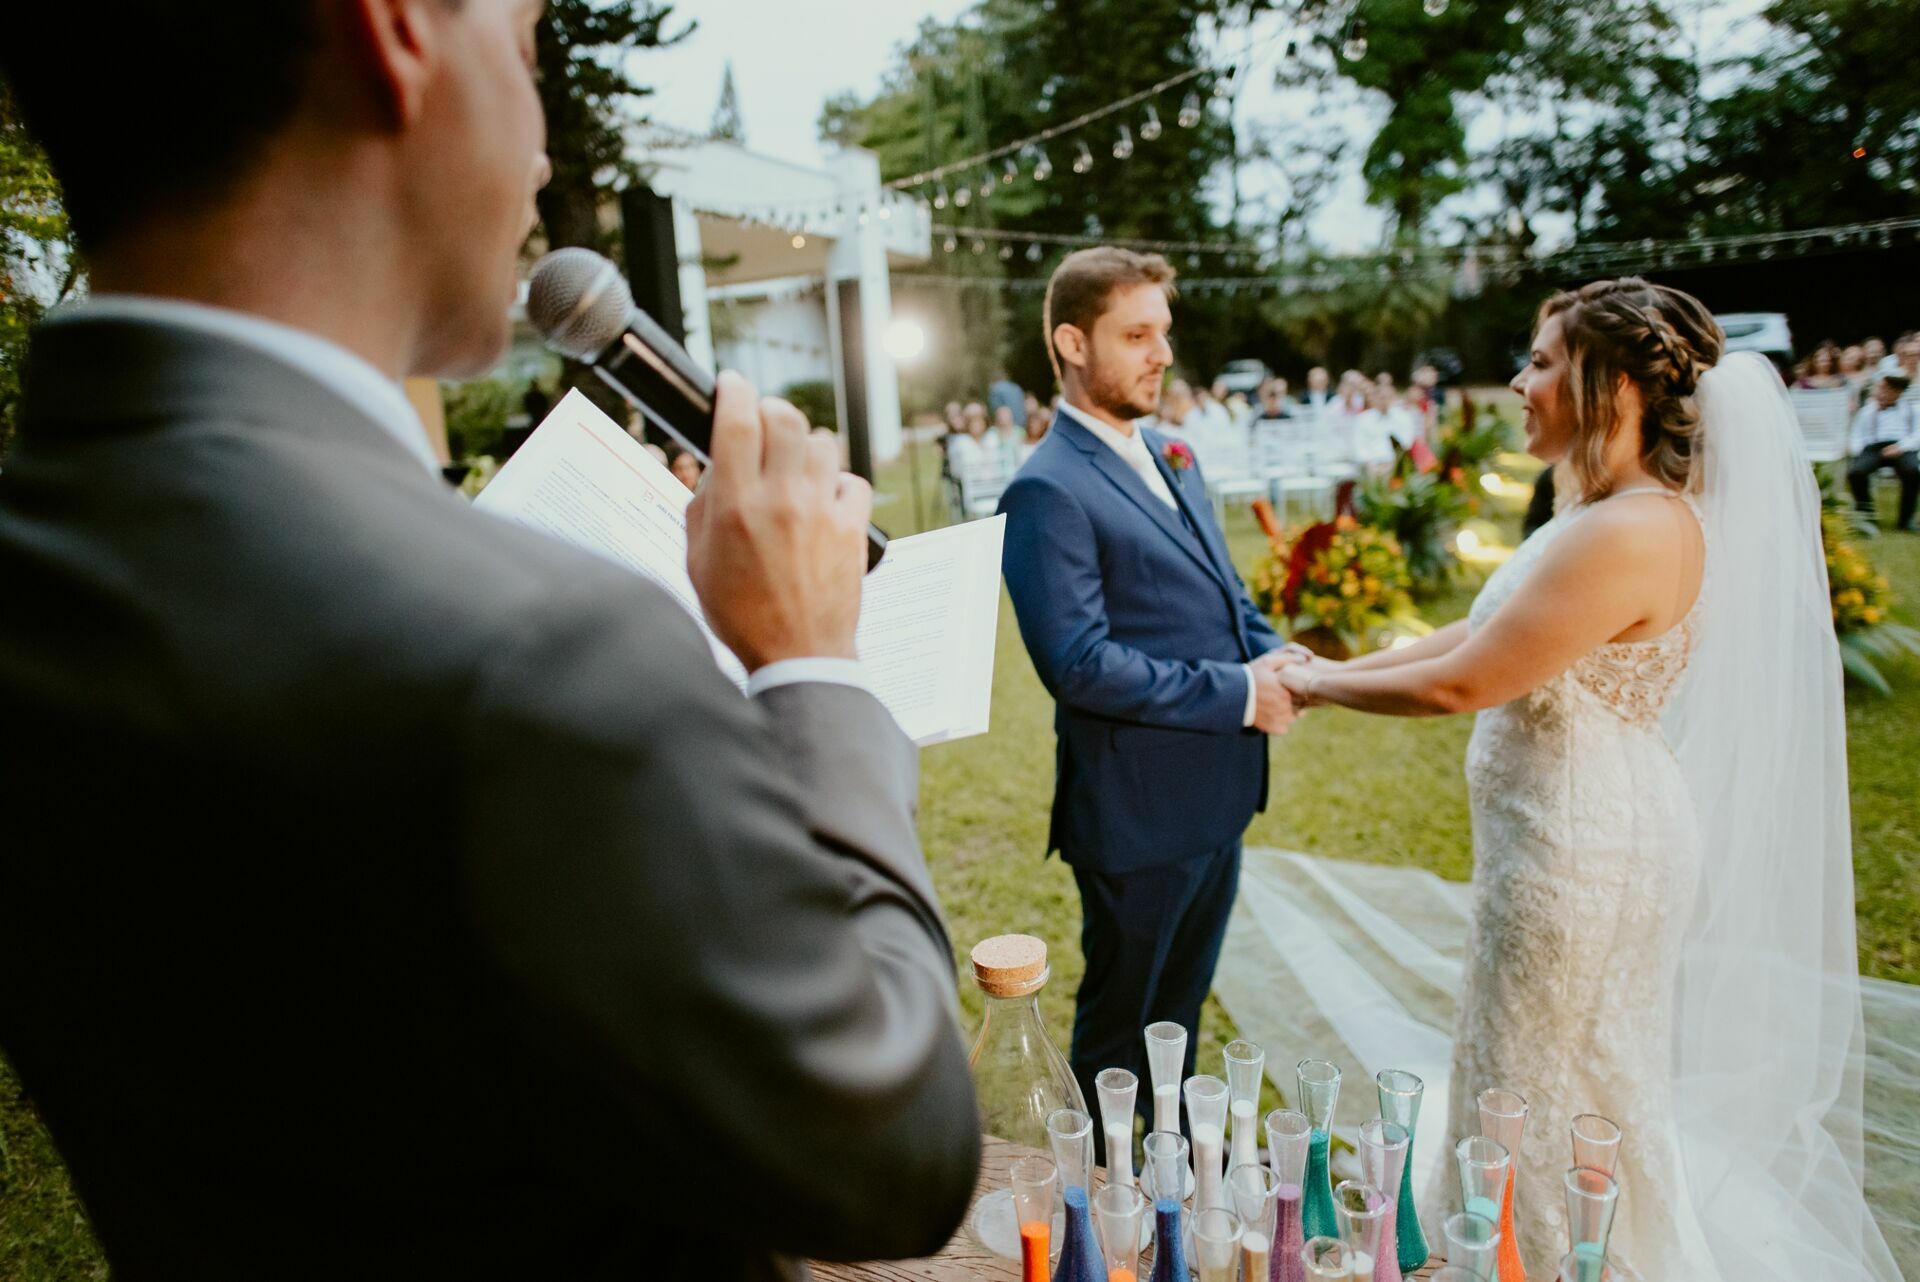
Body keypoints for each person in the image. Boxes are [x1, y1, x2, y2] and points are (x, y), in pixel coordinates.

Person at [0, 4, 980, 1279]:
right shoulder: (546, 656)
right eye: (522, 47)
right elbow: (897, 1151)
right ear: (400, 32)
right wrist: (811, 666)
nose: (542, 152)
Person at [1274, 279, 1897, 1281]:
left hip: (1579, 852)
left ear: (1617, 387)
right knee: (1546, 1060)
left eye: (1542, 362)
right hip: (1561, 831)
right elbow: (1480, 630)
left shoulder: (1630, 531)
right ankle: (1517, 1240)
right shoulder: (1608, 511)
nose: (1521, 384)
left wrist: (1316, 687)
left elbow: (1467, 681)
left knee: (1543, 1068)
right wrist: (1329, 668)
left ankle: (1543, 1254)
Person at [996, 248, 1299, 1149]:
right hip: (1135, 817)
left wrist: (1282, 658)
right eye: (1136, 335)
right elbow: (1079, 663)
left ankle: (1171, 1176)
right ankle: (1098, 1192)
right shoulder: (1045, 488)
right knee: (1118, 1036)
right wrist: (1241, 693)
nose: (1162, 354)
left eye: (1163, 333)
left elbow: (1226, 592)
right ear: (1072, 343)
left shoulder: (1175, 453)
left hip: (1218, 795)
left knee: (1180, 1019)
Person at [1847, 373, 1919, 531]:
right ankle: (1867, 515)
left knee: (1913, 471)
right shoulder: (1867, 411)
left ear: (1897, 392)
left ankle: (1906, 519)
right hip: (1874, 447)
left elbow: (1917, 434)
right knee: (1856, 472)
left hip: (1901, 446)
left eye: (1886, 389)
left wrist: (1900, 447)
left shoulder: (1912, 409)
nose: (1881, 393)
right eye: (1880, 388)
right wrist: (1859, 453)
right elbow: (1856, 435)